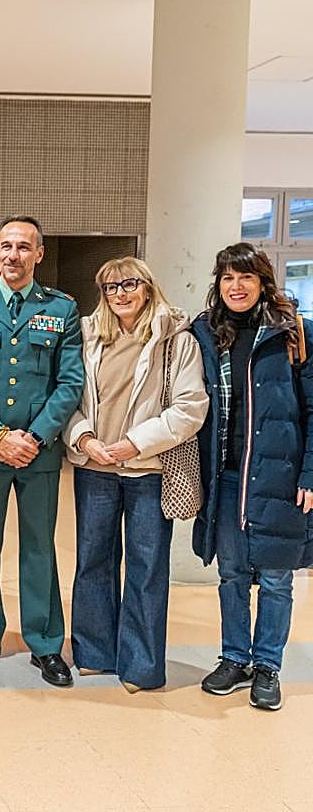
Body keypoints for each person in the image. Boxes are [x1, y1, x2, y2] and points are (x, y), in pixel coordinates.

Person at [0, 215, 83, 687]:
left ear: (39, 254)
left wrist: (35, 436)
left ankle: (45, 643)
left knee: (39, 548)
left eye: (24, 247)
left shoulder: (62, 309)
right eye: (6, 245)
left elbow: (69, 383)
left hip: (40, 454)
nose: (13, 255)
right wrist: (0, 435)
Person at [64, 257, 208, 691]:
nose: (119, 294)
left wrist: (136, 443)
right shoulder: (89, 336)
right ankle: (93, 653)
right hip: (96, 467)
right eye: (110, 288)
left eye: (128, 284)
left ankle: (141, 666)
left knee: (146, 568)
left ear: (147, 286)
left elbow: (190, 407)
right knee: (93, 562)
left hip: (147, 469)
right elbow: (67, 394)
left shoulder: (176, 341)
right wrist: (84, 438)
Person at [190, 243, 313, 711]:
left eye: (245, 278)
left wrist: (310, 474)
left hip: (279, 475)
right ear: (218, 285)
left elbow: (312, 409)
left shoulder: (294, 333)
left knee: (278, 578)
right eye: (227, 278)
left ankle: (267, 665)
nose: (236, 286)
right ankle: (235, 658)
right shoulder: (205, 332)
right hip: (225, 475)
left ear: (263, 282)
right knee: (232, 573)